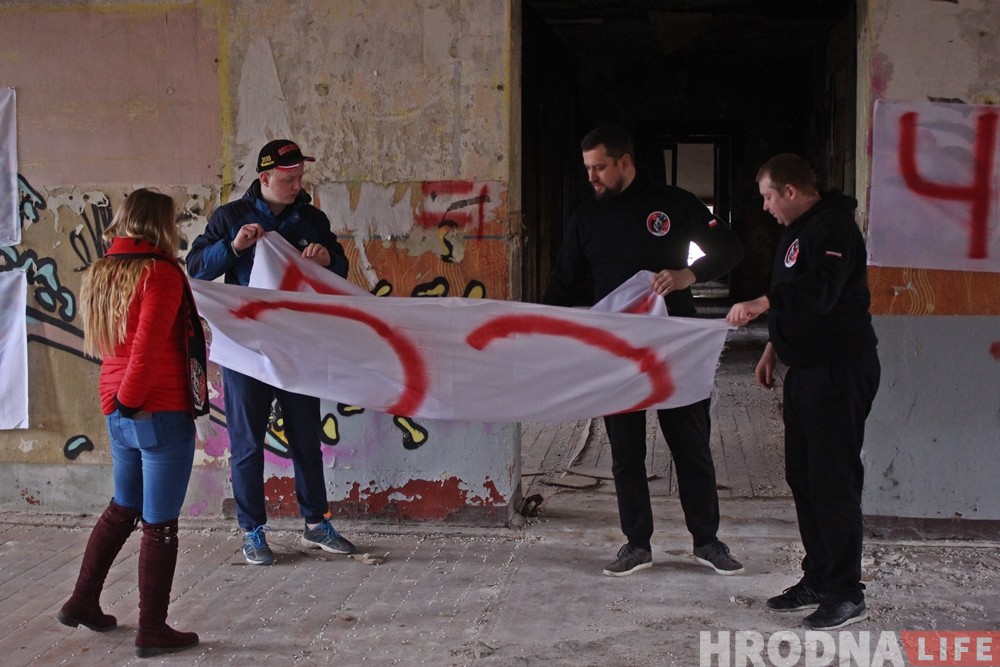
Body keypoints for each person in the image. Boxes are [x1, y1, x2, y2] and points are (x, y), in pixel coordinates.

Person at [542, 124, 745, 577]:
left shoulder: (674, 202)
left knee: (690, 445)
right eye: (587, 168)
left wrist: (689, 275)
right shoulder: (586, 217)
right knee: (625, 452)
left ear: (625, 162)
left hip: (674, 344)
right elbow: (563, 281)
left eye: (599, 168)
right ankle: (636, 544)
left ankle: (707, 541)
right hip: (617, 351)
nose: (591, 177)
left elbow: (730, 248)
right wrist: (537, 327)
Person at [726, 153, 880, 630]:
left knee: (833, 481)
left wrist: (763, 302)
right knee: (804, 477)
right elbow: (796, 295)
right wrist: (774, 345)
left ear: (790, 191)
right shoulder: (797, 231)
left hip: (839, 369)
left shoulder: (833, 228)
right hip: (806, 369)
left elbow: (820, 291)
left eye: (769, 197)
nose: (766, 207)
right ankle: (817, 577)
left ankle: (845, 592)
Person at [186, 139, 354, 565]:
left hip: (297, 345)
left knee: (306, 438)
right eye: (288, 179)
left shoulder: (312, 219)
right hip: (246, 350)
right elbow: (197, 268)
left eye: (300, 178)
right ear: (264, 178)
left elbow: (340, 269)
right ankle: (252, 530)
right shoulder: (230, 217)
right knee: (247, 443)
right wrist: (234, 247)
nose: (297, 185)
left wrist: (327, 260)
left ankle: (316, 522)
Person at [58, 188, 205, 658]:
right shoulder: (160, 273)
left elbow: (113, 346)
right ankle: (152, 630)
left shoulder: (103, 271)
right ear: (160, 223)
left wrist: (120, 404)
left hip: (118, 407)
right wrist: (132, 400)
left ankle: (82, 600)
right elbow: (146, 348)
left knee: (124, 506)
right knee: (159, 524)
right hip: (154, 408)